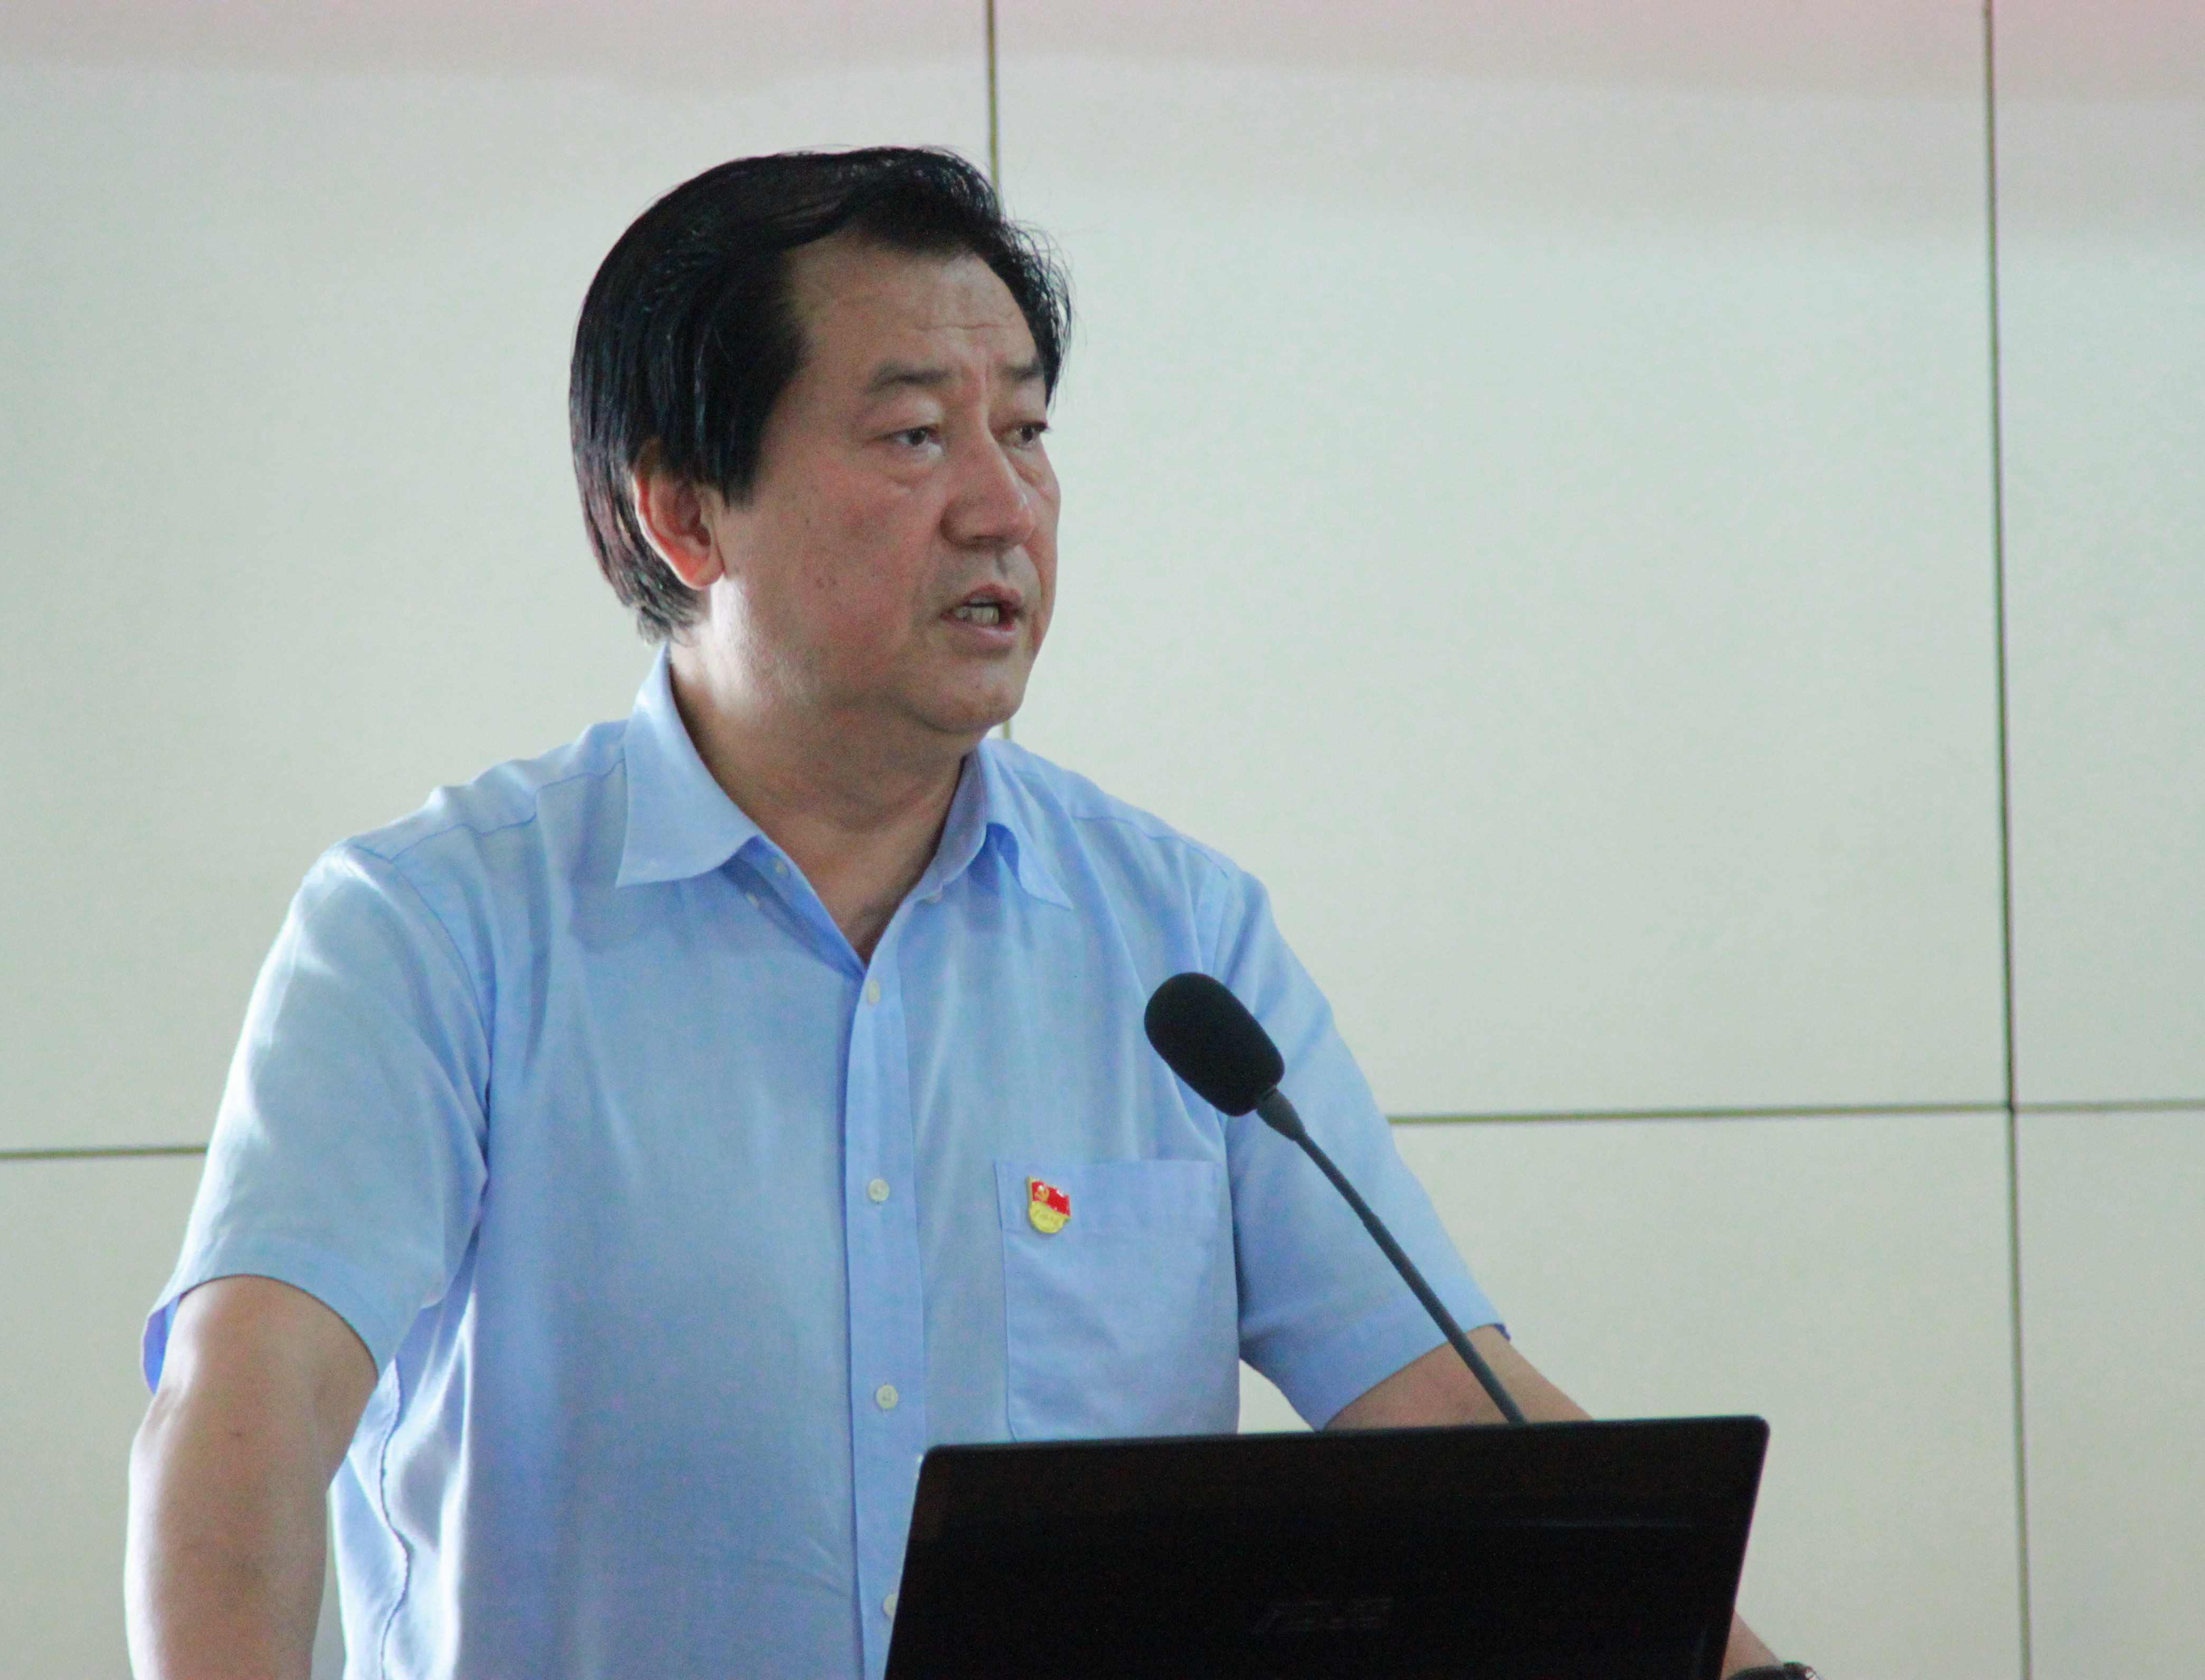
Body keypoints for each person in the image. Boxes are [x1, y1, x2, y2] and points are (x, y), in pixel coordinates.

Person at [127, 146, 1792, 1680]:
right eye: (916, 436)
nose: (1003, 505)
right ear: (685, 511)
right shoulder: (437, 933)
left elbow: (1442, 1408)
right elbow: (246, 1412)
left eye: (1029, 431)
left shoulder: (1177, 940)